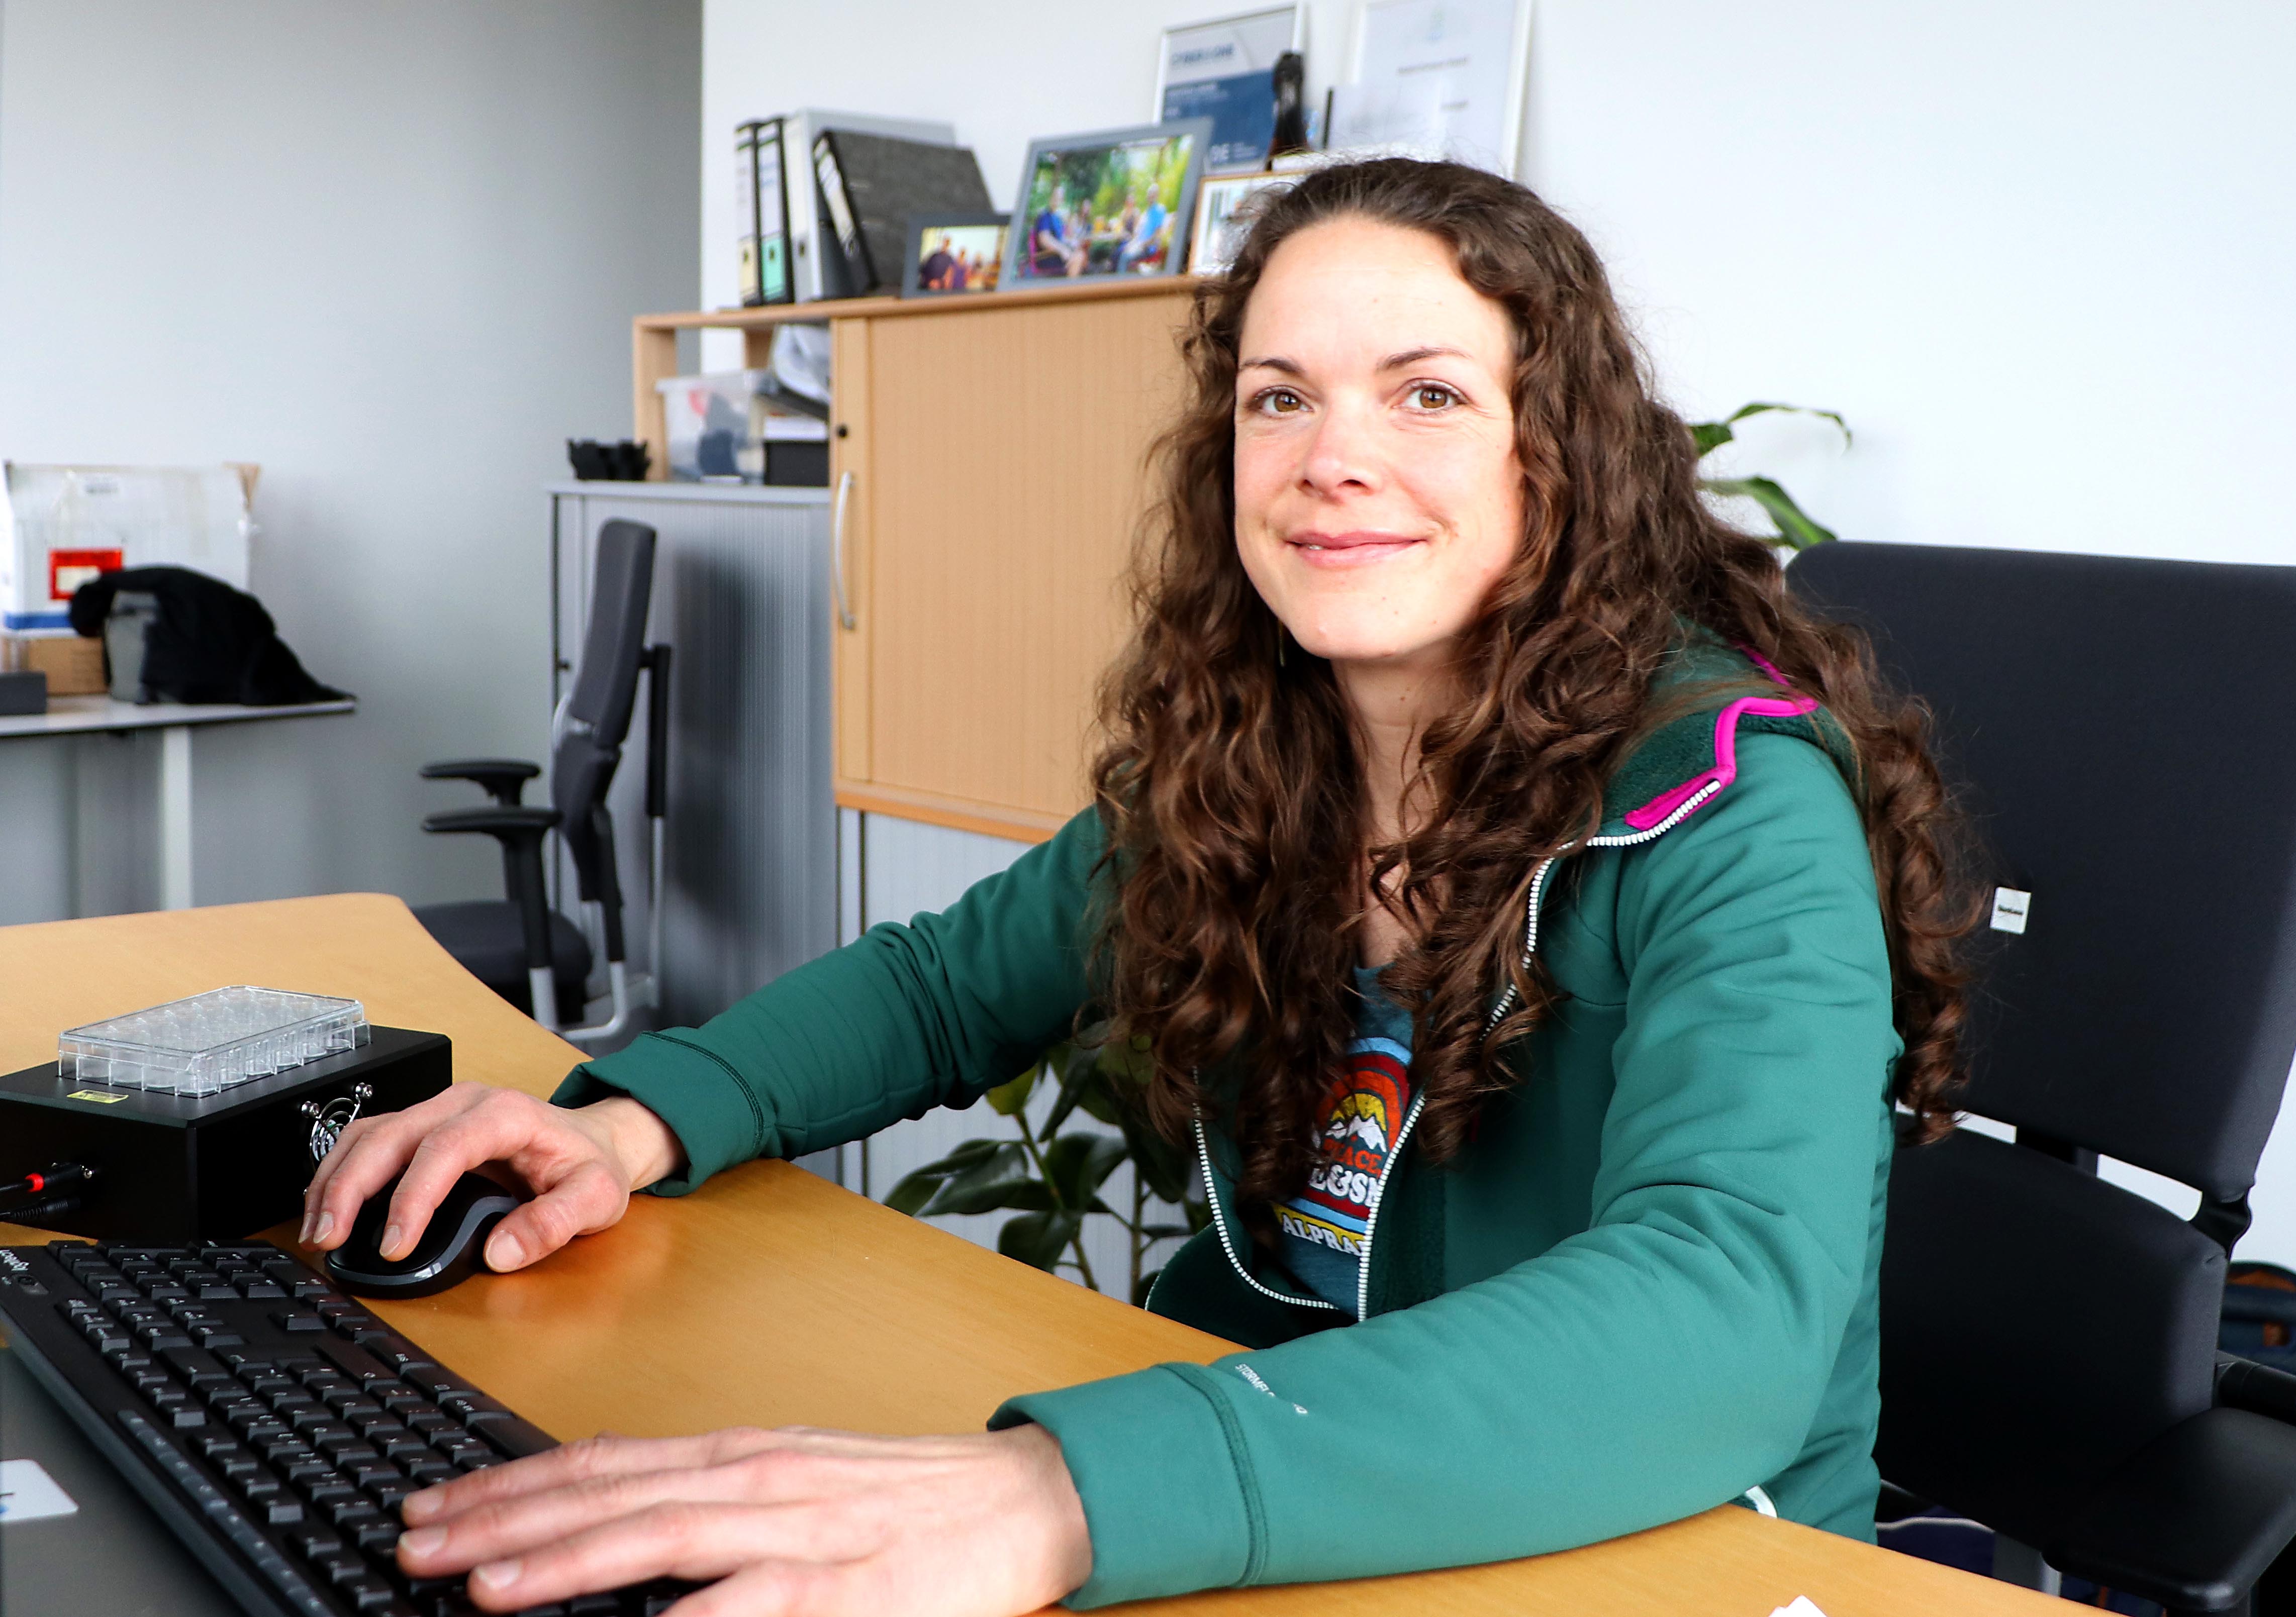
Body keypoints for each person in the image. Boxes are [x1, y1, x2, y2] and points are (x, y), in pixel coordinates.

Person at [306, 157, 1971, 1616]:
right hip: (1268, 1478)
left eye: (1427, 394)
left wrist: (1056, 1493)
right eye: (1278, 396)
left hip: (1647, 1539)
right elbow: (942, 987)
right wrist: (621, 1127)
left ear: (1567, 451)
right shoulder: (1260, 761)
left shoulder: (1736, 809)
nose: (1333, 456)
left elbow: (1723, 1311)